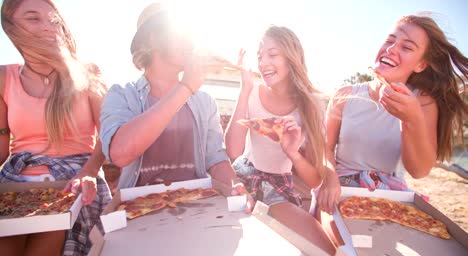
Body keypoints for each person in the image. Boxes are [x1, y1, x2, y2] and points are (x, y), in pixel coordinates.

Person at [99, 3, 253, 209]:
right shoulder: (121, 94)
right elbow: (120, 153)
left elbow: (216, 160)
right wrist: (186, 86)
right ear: (152, 38)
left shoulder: (205, 102)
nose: (189, 41)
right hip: (138, 210)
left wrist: (236, 186)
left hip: (197, 206)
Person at [317, 14, 468, 214]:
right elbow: (325, 148)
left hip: (389, 199)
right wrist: (329, 177)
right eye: (389, 40)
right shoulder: (344, 95)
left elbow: (419, 171)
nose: (391, 49)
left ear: (421, 65)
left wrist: (410, 119)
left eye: (407, 47)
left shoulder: (423, 103)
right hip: (338, 191)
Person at [0, 0, 111, 256]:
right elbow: (2, 144)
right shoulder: (4, 77)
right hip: (14, 188)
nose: (48, 28)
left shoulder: (87, 73)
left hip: (70, 187)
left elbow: (108, 136)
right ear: (11, 26)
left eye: (52, 20)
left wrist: (89, 173)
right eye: (33, 18)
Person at [224, 25, 327, 208]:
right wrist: (244, 90)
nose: (263, 63)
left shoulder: (311, 106)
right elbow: (233, 151)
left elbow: (315, 182)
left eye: (272, 55)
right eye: (259, 56)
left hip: (280, 183)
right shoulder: (251, 93)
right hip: (243, 176)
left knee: (300, 235)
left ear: (292, 58)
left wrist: (293, 154)